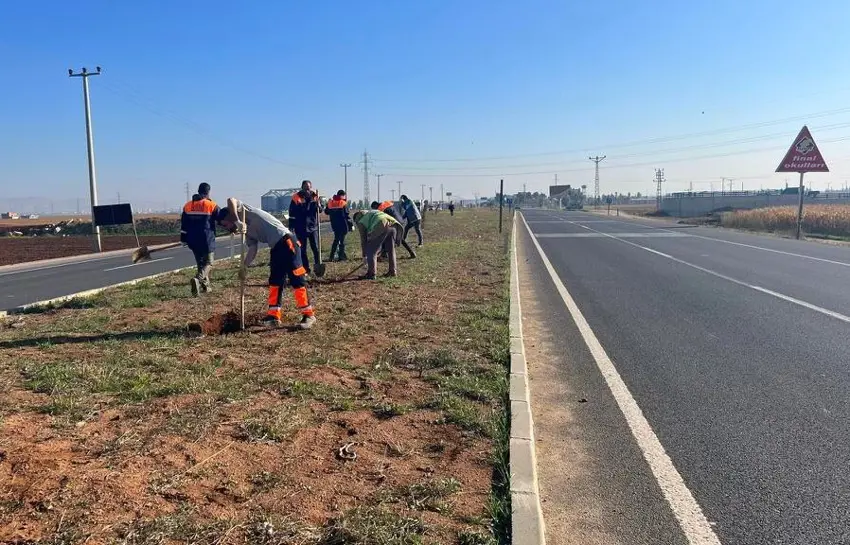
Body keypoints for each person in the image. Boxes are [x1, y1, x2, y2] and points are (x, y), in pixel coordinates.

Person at [218, 198, 316, 330]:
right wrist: (244, 266)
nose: (228, 228)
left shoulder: (244, 211)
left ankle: (308, 314)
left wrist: (237, 221)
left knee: (296, 279)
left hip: (287, 241)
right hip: (275, 247)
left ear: (229, 216)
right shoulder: (246, 232)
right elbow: (253, 249)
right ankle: (274, 316)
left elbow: (231, 200)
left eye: (226, 225)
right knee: (275, 281)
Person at [180, 182, 220, 296]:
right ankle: (198, 279)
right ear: (208, 192)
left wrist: (183, 239)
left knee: (200, 264)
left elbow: (184, 225)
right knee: (209, 263)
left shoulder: (187, 206)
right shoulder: (211, 205)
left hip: (192, 240)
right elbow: (221, 217)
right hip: (206, 239)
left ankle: (205, 287)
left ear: (198, 191)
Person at [354, 209, 403, 279]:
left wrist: (364, 255)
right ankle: (393, 271)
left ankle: (371, 274)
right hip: (393, 224)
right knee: (391, 250)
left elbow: (363, 240)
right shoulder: (371, 213)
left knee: (371, 251)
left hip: (382, 224)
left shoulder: (361, 221)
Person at [288, 180, 321, 276]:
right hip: (301, 227)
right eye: (306, 187)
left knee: (315, 248)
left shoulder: (315, 196)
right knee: (303, 250)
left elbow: (321, 209)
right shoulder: (296, 197)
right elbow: (292, 213)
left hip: (312, 226)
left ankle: (318, 265)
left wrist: (319, 205)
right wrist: (291, 226)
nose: (308, 189)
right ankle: (306, 268)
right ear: (302, 187)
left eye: (309, 187)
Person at [325, 190, 352, 261]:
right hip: (342, 224)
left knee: (336, 240)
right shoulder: (342, 203)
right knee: (342, 242)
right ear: (342, 195)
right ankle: (341, 257)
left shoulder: (330, 202)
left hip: (334, 224)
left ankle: (331, 256)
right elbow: (347, 214)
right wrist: (350, 224)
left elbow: (326, 212)